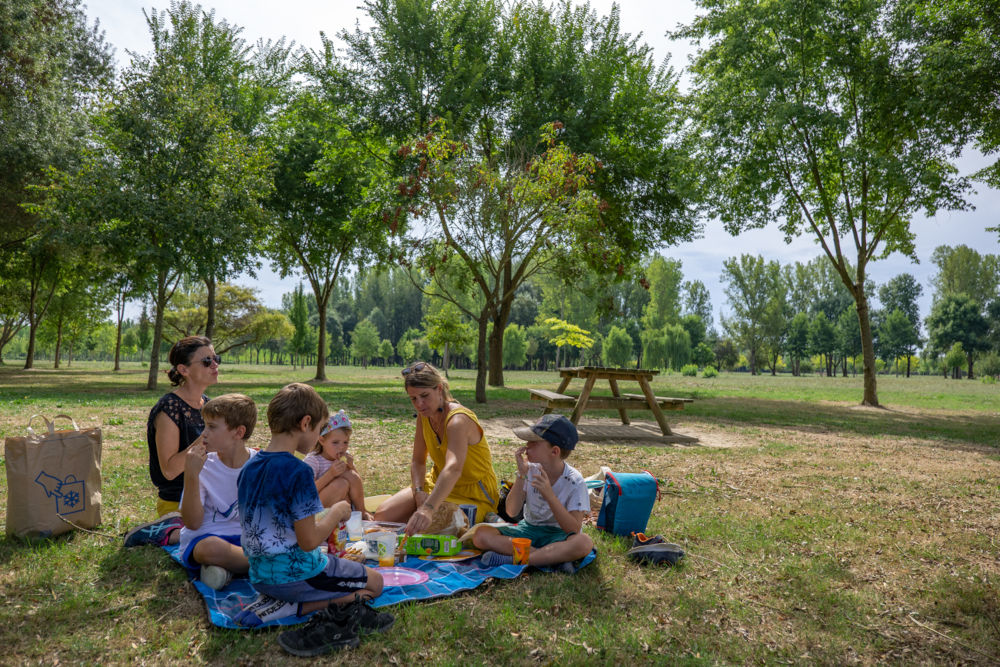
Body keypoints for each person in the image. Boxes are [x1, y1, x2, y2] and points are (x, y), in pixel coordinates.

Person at [235, 383, 392, 656]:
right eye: (320, 429)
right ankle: (297, 607)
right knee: (375, 583)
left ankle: (285, 600)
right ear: (306, 423)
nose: (319, 435)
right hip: (298, 578)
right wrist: (337, 512)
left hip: (259, 576)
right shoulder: (298, 472)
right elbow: (308, 542)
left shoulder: (248, 466)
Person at [374, 361, 499, 536]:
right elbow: (418, 461)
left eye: (424, 396)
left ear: (439, 389)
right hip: (436, 483)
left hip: (472, 493)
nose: (419, 404)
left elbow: (453, 468)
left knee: (428, 528)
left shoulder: (457, 420)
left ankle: (486, 518)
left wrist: (428, 508)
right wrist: (418, 492)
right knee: (383, 516)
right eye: (413, 398)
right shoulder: (424, 416)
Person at [125, 336, 219, 547]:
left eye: (216, 358)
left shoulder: (211, 406)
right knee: (212, 538)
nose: (215, 365)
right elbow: (168, 470)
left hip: (210, 499)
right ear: (183, 370)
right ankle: (165, 531)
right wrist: (207, 437)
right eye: (207, 361)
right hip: (178, 503)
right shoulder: (169, 408)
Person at [472, 414, 593, 570]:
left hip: (559, 536)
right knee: (481, 535)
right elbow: (511, 511)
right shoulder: (531, 470)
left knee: (583, 542)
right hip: (529, 530)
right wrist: (521, 475)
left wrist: (549, 495)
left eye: (534, 442)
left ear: (554, 452)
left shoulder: (575, 481)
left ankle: (515, 560)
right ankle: (550, 559)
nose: (527, 445)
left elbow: (573, 529)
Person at [176, 393, 258, 590]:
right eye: (205, 425)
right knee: (210, 549)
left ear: (239, 432)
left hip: (246, 539)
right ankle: (266, 564)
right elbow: (192, 523)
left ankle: (229, 568)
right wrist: (192, 475)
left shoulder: (259, 465)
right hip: (209, 538)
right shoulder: (203, 464)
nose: (203, 433)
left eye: (212, 427)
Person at [303, 409, 371, 518]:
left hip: (343, 507)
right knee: (341, 484)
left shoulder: (345, 456)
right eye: (335, 443)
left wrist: (351, 466)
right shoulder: (313, 461)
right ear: (322, 440)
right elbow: (306, 493)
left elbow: (356, 482)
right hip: (317, 510)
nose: (341, 447)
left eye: (345, 442)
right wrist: (330, 474)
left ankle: (361, 513)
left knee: (350, 475)